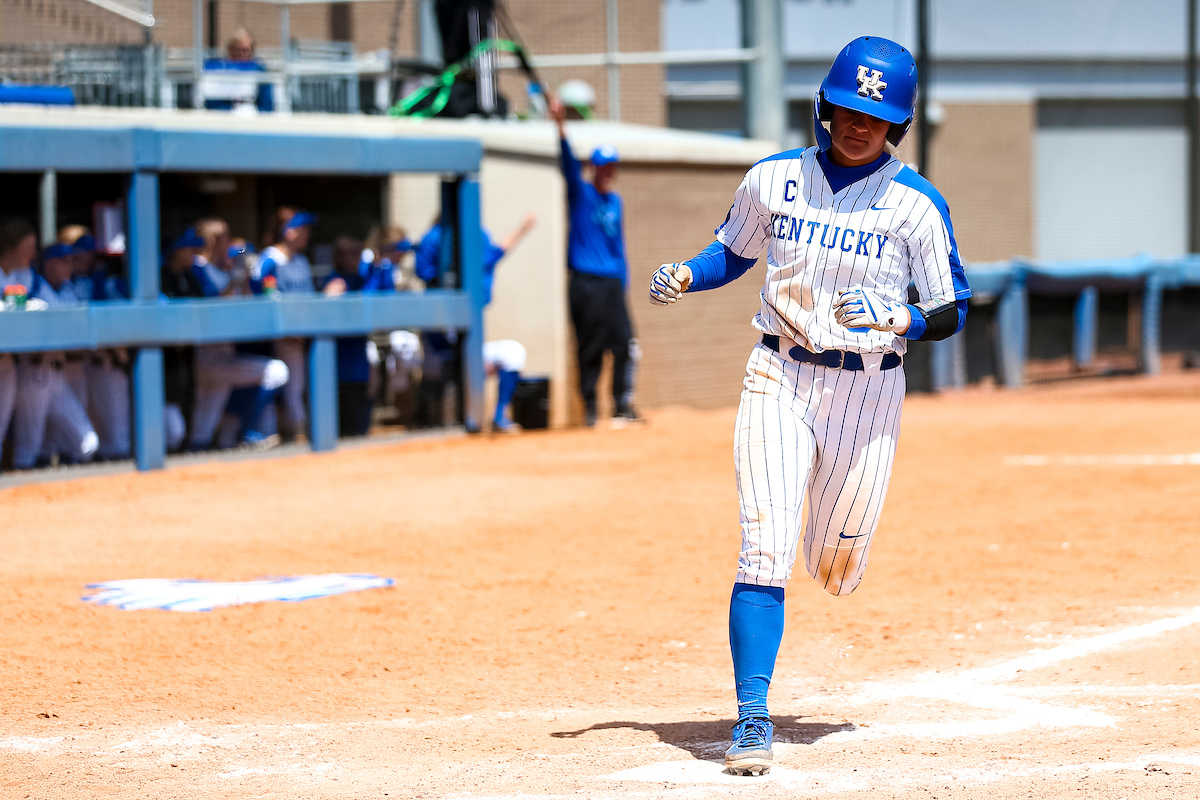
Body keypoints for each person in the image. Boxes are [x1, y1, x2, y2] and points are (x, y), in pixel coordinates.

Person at [648, 36, 971, 776]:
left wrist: (905, 320)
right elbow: (731, 251)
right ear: (825, 106)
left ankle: (833, 546)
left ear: (898, 125)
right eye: (849, 109)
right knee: (763, 542)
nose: (860, 125)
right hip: (779, 374)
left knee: (835, 566)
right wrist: (686, 274)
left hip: (868, 390)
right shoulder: (774, 180)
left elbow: (953, 305)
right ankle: (753, 718)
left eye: (876, 115)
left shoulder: (916, 204)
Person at [549, 96, 642, 428]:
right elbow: (567, 164)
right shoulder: (582, 193)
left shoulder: (615, 201)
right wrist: (560, 124)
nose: (607, 171)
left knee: (626, 343)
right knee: (589, 347)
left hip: (612, 282)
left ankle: (621, 406)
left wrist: (624, 280)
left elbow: (619, 244)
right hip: (585, 281)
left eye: (611, 166)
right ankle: (590, 407)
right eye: (602, 165)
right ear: (593, 168)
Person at [414, 213, 537, 431]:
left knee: (513, 352)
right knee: (445, 369)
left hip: (469, 355)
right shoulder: (433, 241)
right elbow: (424, 271)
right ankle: (436, 420)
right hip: (441, 353)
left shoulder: (476, 239)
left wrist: (522, 228)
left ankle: (500, 416)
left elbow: (495, 253)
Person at [187, 218, 289, 450]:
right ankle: (248, 433)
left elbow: (242, 304)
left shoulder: (218, 268)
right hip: (208, 353)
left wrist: (242, 276)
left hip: (224, 352)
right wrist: (235, 277)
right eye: (225, 237)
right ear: (212, 240)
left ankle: (196, 461)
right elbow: (213, 306)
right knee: (276, 371)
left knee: (203, 429)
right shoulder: (197, 267)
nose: (230, 243)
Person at [251, 207, 340, 441]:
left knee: (299, 386)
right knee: (290, 387)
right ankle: (296, 435)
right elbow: (267, 299)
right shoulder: (269, 259)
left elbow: (307, 297)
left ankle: (299, 433)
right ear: (289, 232)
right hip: (279, 337)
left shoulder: (301, 260)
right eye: (302, 229)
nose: (307, 234)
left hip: (302, 334)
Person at [11, 243, 100, 468]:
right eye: (63, 261)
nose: (69, 266)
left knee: (87, 443)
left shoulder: (69, 290)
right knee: (28, 448)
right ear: (49, 263)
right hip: (34, 372)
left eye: (71, 260)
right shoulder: (32, 285)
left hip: (60, 376)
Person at [318, 235, 398, 436]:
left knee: (361, 425)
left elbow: (385, 295)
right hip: (340, 370)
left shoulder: (360, 278)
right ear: (340, 256)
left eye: (358, 253)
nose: (356, 258)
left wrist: (380, 266)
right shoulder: (335, 281)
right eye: (351, 253)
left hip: (359, 364)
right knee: (346, 429)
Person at [0, 218, 39, 469]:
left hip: (6, 363)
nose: (33, 254)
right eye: (28, 247)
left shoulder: (25, 275)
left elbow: (46, 303)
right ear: (12, 248)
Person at [203, 28, 275, 113]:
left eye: (247, 50)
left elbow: (266, 104)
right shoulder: (220, 70)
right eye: (239, 50)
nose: (243, 54)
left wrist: (251, 112)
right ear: (231, 50)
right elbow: (213, 103)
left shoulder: (260, 70)